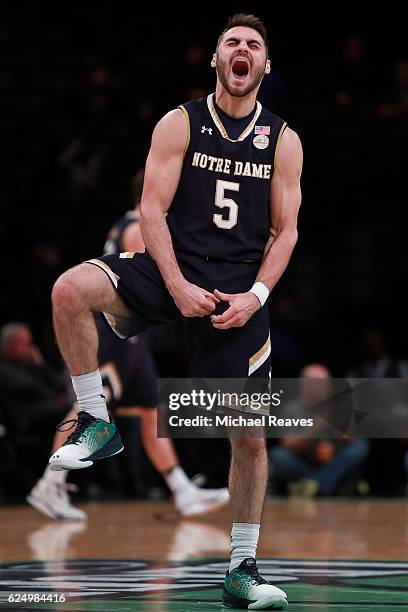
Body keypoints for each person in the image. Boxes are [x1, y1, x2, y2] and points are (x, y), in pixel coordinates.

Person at [50, 13, 302, 610]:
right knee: (69, 290)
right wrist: (177, 285)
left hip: (235, 294)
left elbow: (286, 231)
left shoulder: (282, 139)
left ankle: (242, 569)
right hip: (174, 271)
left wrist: (256, 297)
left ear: (265, 67)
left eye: (254, 46)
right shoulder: (180, 122)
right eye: (232, 43)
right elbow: (152, 209)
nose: (242, 51)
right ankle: (96, 421)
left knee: (250, 436)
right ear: (215, 60)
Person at [28, 169, 229, 520]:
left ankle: (182, 490)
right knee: (90, 408)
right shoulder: (138, 227)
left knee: (152, 411)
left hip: (133, 338)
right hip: (115, 334)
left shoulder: (130, 223)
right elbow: (144, 282)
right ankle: (50, 483)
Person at [269, 364, 369, 497]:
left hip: (333, 462)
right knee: (279, 455)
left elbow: (351, 440)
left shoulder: (338, 408)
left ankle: (313, 484)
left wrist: (343, 432)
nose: (326, 387)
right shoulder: (291, 410)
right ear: (305, 385)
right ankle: (328, 484)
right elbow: (289, 445)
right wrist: (315, 426)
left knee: (360, 447)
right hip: (305, 463)